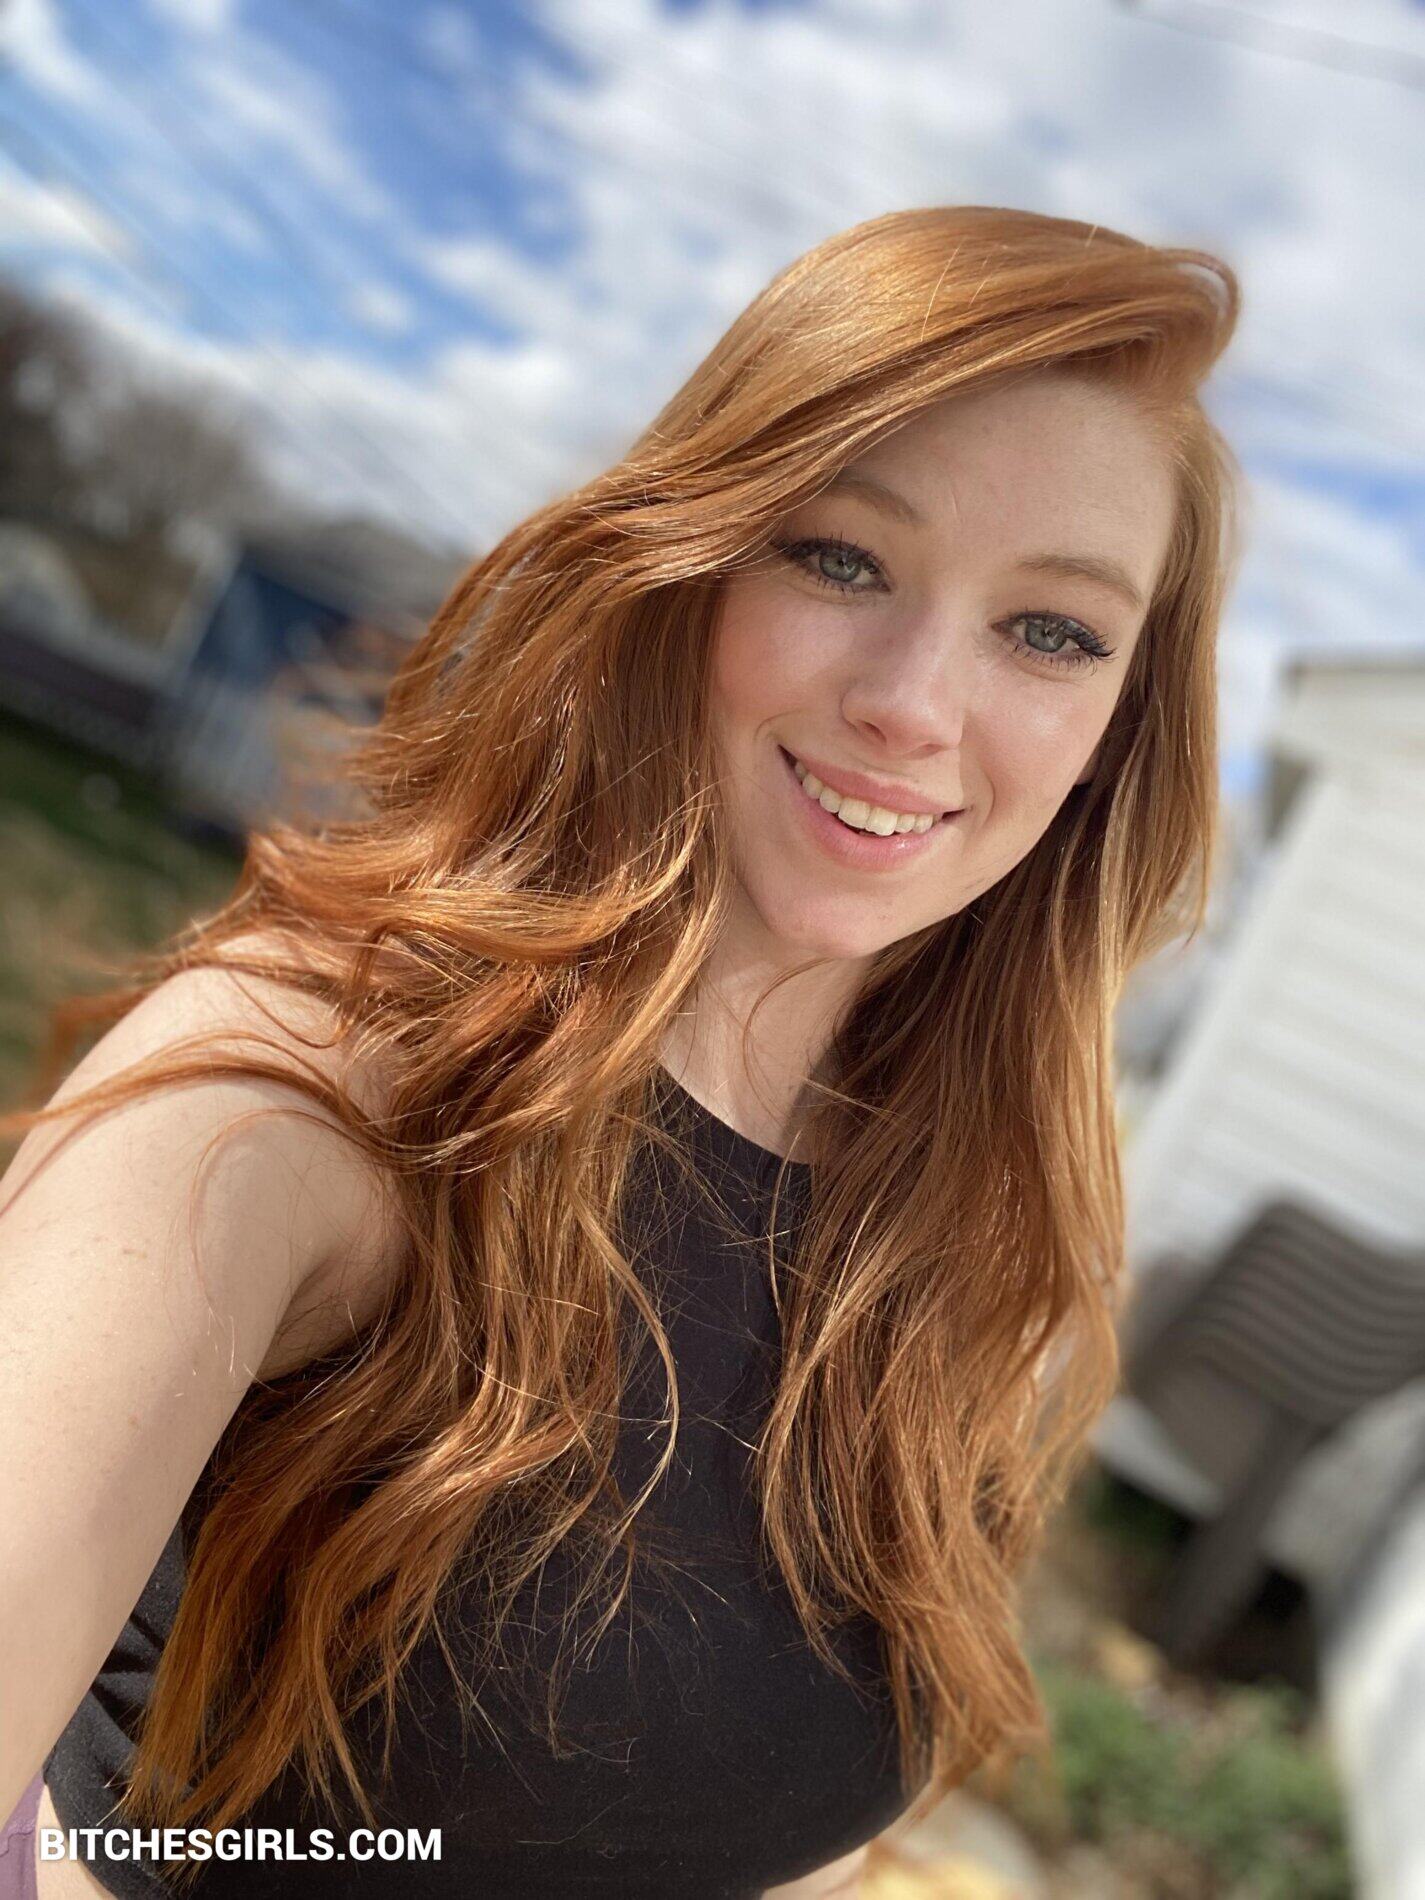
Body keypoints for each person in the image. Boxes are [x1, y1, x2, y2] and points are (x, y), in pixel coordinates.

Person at [0, 203, 1241, 1898]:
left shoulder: (976, 1233)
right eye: (840, 557)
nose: (912, 703)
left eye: (1051, 632)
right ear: (690, 560)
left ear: (1116, 730)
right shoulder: (312, 1080)